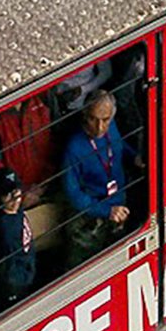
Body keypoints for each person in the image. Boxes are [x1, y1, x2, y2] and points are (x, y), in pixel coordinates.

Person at [63, 90, 132, 262]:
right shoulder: (73, 148)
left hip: (118, 206)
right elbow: (73, 194)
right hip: (89, 220)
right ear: (85, 115)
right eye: (93, 119)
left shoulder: (112, 127)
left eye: (105, 120)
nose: (99, 127)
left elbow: (119, 146)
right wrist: (106, 211)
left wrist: (135, 157)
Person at [0, 166, 37, 313]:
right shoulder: (4, 225)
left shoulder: (16, 210)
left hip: (27, 273)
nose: (15, 198)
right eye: (7, 194)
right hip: (16, 283)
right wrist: (19, 281)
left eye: (16, 191)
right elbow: (8, 261)